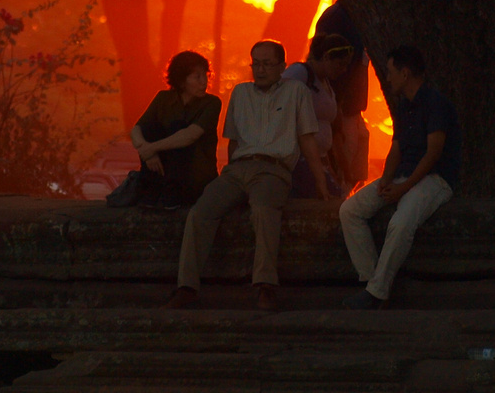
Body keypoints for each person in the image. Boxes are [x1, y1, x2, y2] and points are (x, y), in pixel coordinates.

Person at [168, 40, 327, 312]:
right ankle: (187, 287)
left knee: (264, 210)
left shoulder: (296, 91)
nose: (261, 69)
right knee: (200, 212)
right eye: (256, 63)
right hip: (238, 168)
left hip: (273, 168)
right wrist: (231, 178)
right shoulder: (240, 93)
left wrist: (321, 184)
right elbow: (232, 141)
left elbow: (307, 139)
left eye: (267, 63)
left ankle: (265, 284)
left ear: (282, 67)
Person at [339, 44, 461, 310]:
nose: (389, 77)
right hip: (403, 176)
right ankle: (373, 281)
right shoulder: (404, 106)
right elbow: (396, 147)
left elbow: (432, 155)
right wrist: (386, 179)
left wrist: (403, 187)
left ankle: (376, 292)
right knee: (350, 210)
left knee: (401, 221)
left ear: (406, 73)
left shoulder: (436, 104)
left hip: (434, 179)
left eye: (392, 72)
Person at [130, 50, 222, 206]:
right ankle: (152, 188)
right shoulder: (163, 99)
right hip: (162, 171)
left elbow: (190, 135)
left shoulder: (212, 103)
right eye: (197, 77)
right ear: (181, 81)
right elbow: (136, 129)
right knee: (150, 129)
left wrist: (151, 148)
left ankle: (174, 191)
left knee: (178, 128)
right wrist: (146, 151)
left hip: (194, 176)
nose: (204, 82)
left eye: (205, 75)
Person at [282, 32, 354, 197]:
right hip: (299, 158)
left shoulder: (326, 83)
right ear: (327, 57)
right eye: (340, 64)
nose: (343, 70)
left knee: (340, 195)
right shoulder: (300, 72)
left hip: (319, 159)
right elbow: (280, 102)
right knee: (335, 198)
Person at [316, 1, 371, 192]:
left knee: (358, 145)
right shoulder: (338, 18)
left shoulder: (358, 14)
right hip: (343, 105)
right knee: (345, 152)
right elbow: (331, 63)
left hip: (353, 105)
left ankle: (345, 191)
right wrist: (336, 101)